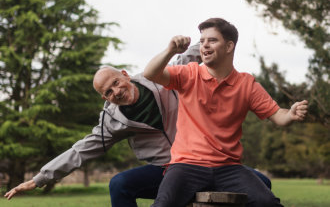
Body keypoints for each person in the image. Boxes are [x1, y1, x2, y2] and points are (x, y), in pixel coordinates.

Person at [4, 44, 271, 207]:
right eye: (108, 93)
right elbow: (81, 150)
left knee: (263, 183)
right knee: (119, 184)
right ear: (104, 99)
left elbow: (190, 54)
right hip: (167, 170)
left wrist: (205, 36)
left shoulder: (161, 78)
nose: (116, 92)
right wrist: (41, 178)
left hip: (205, 161)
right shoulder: (113, 120)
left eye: (116, 83)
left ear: (124, 75)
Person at [143, 18, 308, 207]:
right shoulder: (189, 74)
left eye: (212, 40)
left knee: (268, 203)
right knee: (163, 205)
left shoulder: (247, 84)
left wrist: (291, 114)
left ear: (229, 46)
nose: (204, 45)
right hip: (187, 165)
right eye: (202, 40)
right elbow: (150, 74)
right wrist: (170, 50)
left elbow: (279, 116)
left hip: (229, 168)